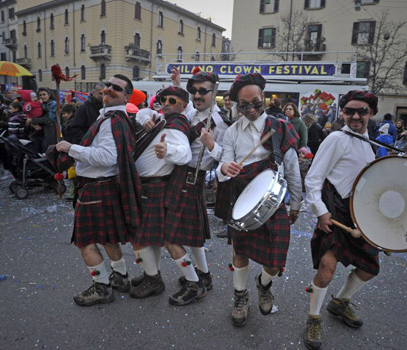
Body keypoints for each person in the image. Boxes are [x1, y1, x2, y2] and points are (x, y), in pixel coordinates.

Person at [217, 73, 302, 327]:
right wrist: (226, 169)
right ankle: (240, 296)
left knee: (275, 260)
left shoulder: (280, 127)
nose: (252, 108)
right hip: (242, 199)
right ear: (236, 105)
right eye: (244, 105)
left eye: (256, 102)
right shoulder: (232, 132)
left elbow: (292, 169)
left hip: (274, 203)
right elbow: (223, 164)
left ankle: (263, 284)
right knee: (240, 253)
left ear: (263, 96)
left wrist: (295, 203)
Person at [54, 74, 143, 306]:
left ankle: (102, 287)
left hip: (97, 189)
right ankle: (121, 277)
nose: (109, 89)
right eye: (108, 85)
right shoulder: (113, 117)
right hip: (104, 188)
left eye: (116, 88)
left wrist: (71, 148)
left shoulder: (113, 120)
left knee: (85, 242)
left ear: (126, 96)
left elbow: (107, 157)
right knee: (108, 238)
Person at [303, 90, 380, 350]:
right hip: (335, 210)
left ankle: (340, 302)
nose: (356, 116)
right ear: (342, 113)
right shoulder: (336, 138)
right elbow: (313, 177)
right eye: (350, 111)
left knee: (369, 268)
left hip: (361, 214)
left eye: (362, 111)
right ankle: (313, 317)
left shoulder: (372, 144)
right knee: (326, 268)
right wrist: (320, 210)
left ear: (371, 113)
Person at [159, 67, 230, 303]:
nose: (197, 96)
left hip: (192, 179)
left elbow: (228, 161)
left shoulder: (219, 123)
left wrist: (211, 145)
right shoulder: (195, 113)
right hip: (179, 176)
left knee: (169, 236)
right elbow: (187, 106)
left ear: (214, 93)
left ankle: (193, 284)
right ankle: (204, 276)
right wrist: (178, 84)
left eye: (203, 91)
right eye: (193, 91)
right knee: (192, 236)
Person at [128, 86, 193, 302]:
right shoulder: (162, 118)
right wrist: (145, 117)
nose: (165, 103)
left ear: (184, 106)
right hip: (148, 185)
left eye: (172, 101)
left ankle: (166, 280)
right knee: (150, 237)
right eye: (163, 99)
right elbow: (142, 112)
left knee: (141, 237)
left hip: (155, 186)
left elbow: (185, 153)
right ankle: (151, 274)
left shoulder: (176, 126)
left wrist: (168, 152)